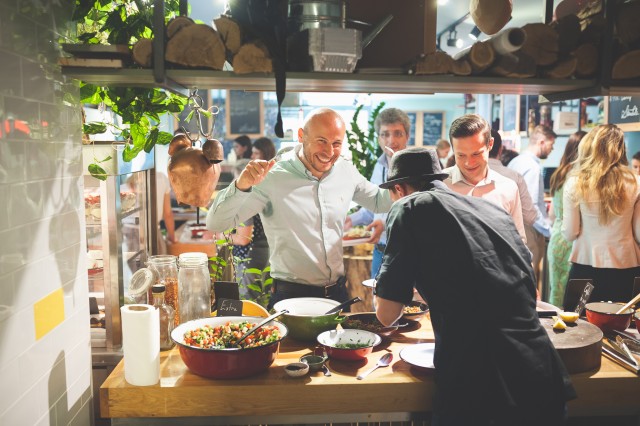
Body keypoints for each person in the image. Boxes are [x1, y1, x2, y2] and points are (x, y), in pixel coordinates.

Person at [374, 147, 575, 426]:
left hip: (477, 382)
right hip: (540, 371)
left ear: (398, 189)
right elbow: (528, 290)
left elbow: (387, 314)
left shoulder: (407, 207)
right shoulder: (492, 211)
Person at [206, 108, 392, 309]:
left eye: (336, 143)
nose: (329, 152)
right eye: (321, 141)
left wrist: (405, 174)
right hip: (291, 296)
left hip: (338, 294)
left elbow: (379, 201)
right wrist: (241, 185)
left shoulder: (345, 170)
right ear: (302, 135)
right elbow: (216, 223)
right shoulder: (272, 176)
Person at [562, 124, 640, 303]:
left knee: (579, 319)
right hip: (626, 266)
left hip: (586, 265)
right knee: (624, 320)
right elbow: (639, 233)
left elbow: (570, 232)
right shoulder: (636, 183)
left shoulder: (576, 183)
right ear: (621, 148)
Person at [345, 107, 411, 278]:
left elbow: (417, 212)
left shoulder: (417, 166)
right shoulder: (379, 166)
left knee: (411, 297)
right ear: (378, 138)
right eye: (385, 134)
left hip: (408, 254)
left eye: (398, 134)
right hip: (380, 252)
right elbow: (373, 207)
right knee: (377, 296)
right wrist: (351, 220)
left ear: (407, 136)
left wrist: (384, 223)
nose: (391, 140)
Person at [442, 114, 526, 242]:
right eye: (461, 155)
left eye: (476, 154)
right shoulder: (439, 184)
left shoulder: (508, 188)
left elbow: (519, 241)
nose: (469, 163)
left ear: (490, 144)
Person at [509, 124, 557, 292]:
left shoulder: (515, 161)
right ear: (542, 142)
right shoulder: (532, 167)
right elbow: (532, 206)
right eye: (551, 145)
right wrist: (548, 231)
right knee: (530, 282)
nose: (552, 149)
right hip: (530, 230)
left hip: (515, 226)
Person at [227, 138, 275, 298]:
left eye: (235, 179)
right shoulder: (258, 193)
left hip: (250, 256)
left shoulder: (245, 199)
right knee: (262, 296)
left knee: (248, 298)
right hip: (263, 251)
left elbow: (243, 239)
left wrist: (218, 236)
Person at [547, 131, 586, 307]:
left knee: (556, 294)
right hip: (574, 240)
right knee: (575, 301)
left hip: (557, 238)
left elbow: (552, 215)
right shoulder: (581, 178)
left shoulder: (559, 174)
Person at [488, 129, 538, 228]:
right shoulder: (514, 177)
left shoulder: (462, 176)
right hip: (506, 234)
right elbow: (530, 217)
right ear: (500, 150)